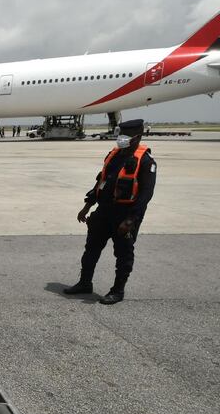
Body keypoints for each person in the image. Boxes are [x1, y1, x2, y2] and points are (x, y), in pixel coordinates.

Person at [64, 119, 156, 305]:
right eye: (120, 134)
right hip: (103, 212)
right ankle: (84, 283)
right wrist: (88, 206)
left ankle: (117, 291)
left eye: (126, 136)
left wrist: (131, 220)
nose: (121, 139)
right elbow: (101, 181)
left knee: (123, 254)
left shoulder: (146, 162)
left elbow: (146, 195)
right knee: (91, 249)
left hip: (125, 215)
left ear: (137, 137)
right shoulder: (114, 155)